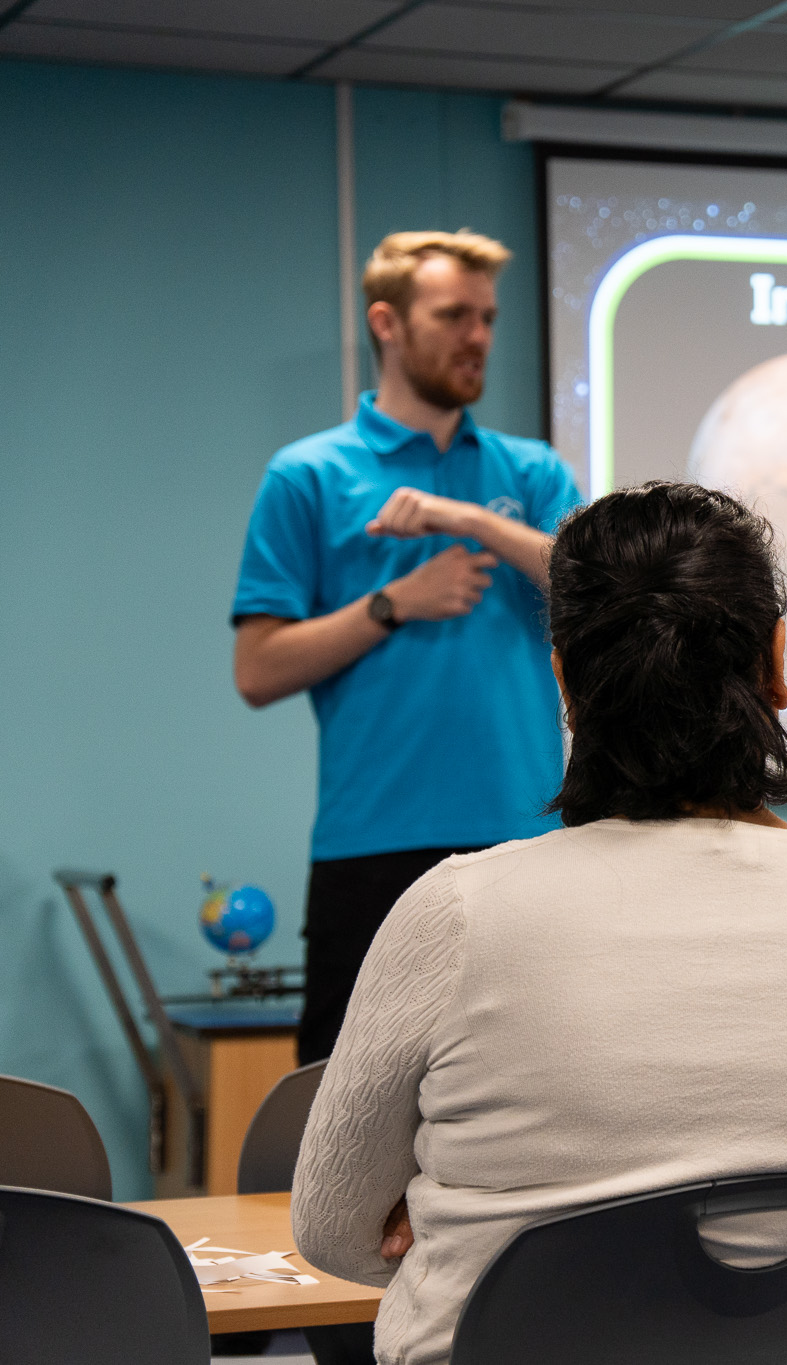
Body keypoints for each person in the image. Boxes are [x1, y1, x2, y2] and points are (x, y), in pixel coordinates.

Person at [291, 481, 787, 1365]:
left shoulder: (457, 912)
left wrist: (480, 1228)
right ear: (774, 662)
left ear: (565, 677)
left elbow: (334, 1230)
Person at [230, 230, 582, 1064]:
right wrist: (394, 603)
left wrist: (468, 520)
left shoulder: (528, 472)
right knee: (341, 1098)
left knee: (537, 1084)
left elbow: (596, 582)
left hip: (522, 839)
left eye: (488, 317)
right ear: (386, 323)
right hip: (372, 846)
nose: (477, 336)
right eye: (454, 314)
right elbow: (257, 669)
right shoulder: (306, 476)